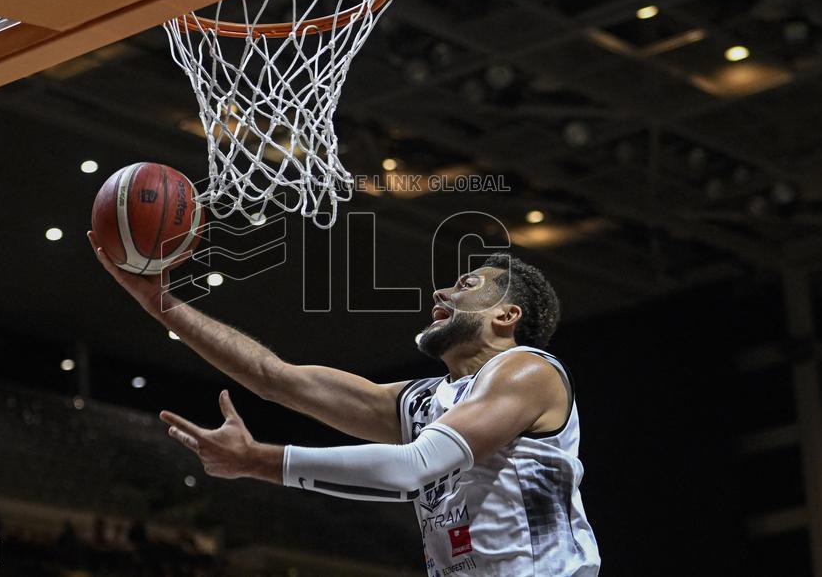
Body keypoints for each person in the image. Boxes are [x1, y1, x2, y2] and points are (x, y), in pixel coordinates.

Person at [88, 232, 600, 576]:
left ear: (507, 315)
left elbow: (414, 468)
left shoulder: (530, 370)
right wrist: (160, 302)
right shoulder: (422, 400)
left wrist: (258, 460)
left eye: (466, 285)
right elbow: (275, 378)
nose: (441, 291)